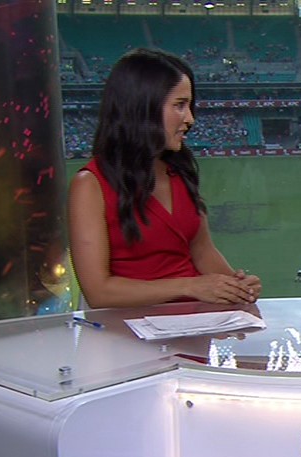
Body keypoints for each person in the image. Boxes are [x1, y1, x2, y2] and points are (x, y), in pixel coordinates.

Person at [69, 48, 261, 308]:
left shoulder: (179, 172)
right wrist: (190, 286)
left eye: (189, 106)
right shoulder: (90, 185)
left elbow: (202, 251)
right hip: (128, 328)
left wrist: (236, 287)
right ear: (142, 108)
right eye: (179, 105)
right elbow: (98, 292)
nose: (190, 119)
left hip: (197, 322)